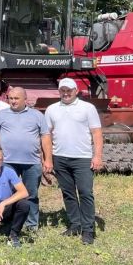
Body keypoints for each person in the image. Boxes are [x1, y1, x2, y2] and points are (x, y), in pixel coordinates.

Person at [45, 78, 103, 245]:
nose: (66, 93)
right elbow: (46, 135)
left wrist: (97, 156)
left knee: (85, 193)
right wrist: (48, 158)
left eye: (69, 90)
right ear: (59, 91)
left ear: (76, 91)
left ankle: (88, 229)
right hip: (60, 157)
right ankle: (75, 224)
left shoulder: (88, 108)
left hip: (82, 158)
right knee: (68, 193)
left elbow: (97, 133)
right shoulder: (52, 109)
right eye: (63, 89)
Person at [0, 86, 52, 232]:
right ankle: (8, 222)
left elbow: (45, 137)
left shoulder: (37, 115)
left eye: (16, 98)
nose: (13, 101)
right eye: (10, 98)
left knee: (31, 194)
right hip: (8, 162)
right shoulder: (1, 115)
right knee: (7, 193)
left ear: (25, 99)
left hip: (31, 162)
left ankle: (31, 225)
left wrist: (48, 159)